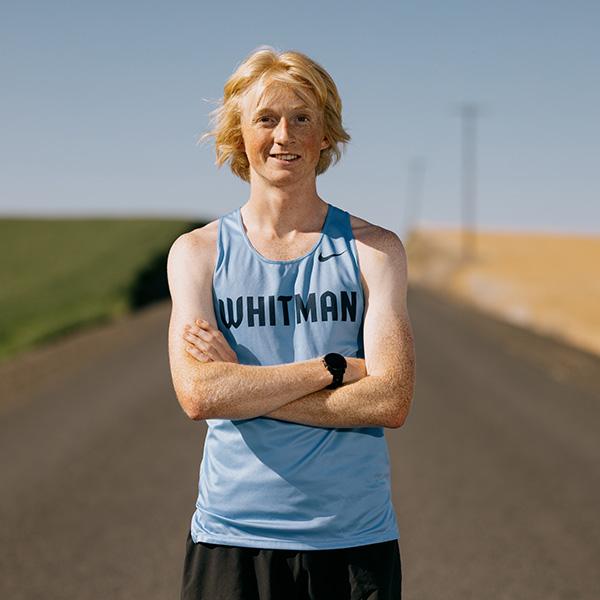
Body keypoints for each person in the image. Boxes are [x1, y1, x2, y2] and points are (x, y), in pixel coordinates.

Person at [167, 47, 415, 600]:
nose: (285, 134)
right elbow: (199, 394)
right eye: (266, 118)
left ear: (326, 134)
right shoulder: (197, 253)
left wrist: (246, 391)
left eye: (303, 117)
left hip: (353, 542)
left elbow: (390, 400)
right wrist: (333, 369)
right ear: (239, 133)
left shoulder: (375, 251)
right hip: (232, 539)